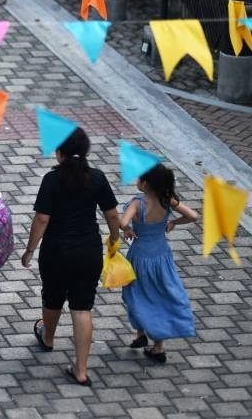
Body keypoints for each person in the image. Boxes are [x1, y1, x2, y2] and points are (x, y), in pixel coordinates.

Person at [21, 127, 120, 387]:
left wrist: (30, 249)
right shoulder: (97, 178)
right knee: (82, 306)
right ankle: (81, 370)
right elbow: (111, 213)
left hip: (56, 251)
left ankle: (48, 337)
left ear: (59, 153)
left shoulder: (51, 180)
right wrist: (114, 237)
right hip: (88, 251)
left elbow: (42, 219)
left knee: (52, 296)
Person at [119, 163, 197, 363]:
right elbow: (193, 215)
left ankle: (140, 333)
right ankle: (158, 347)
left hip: (140, 257)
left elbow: (123, 222)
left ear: (145, 183)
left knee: (136, 293)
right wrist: (173, 222)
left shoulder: (137, 203)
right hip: (161, 256)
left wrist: (127, 230)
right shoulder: (167, 200)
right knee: (159, 295)